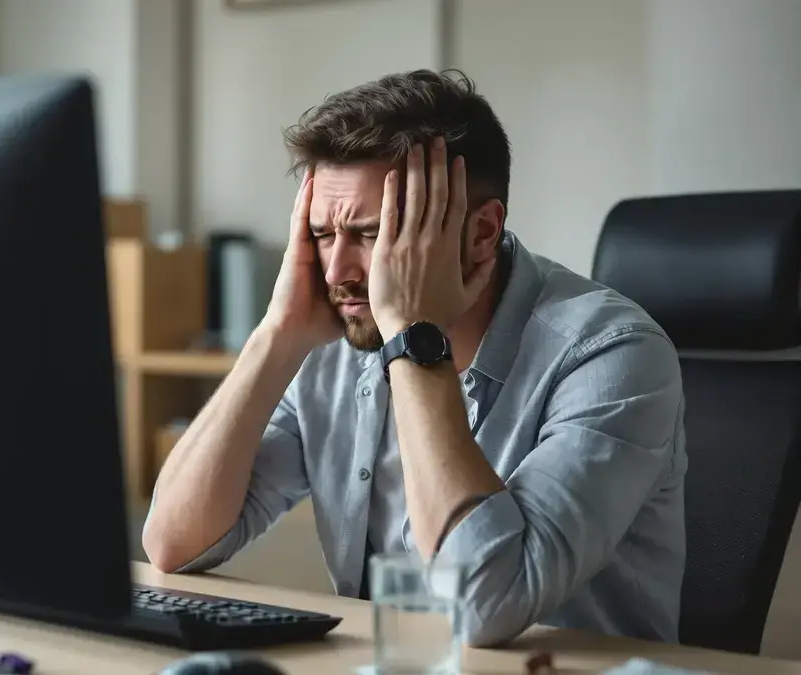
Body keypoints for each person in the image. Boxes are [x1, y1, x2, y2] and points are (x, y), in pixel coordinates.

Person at [141, 69, 686, 647]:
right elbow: (174, 542)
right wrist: (275, 333)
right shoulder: (339, 340)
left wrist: (414, 334)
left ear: (481, 233)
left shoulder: (614, 356)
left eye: (374, 234)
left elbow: (484, 605)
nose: (336, 273)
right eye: (323, 234)